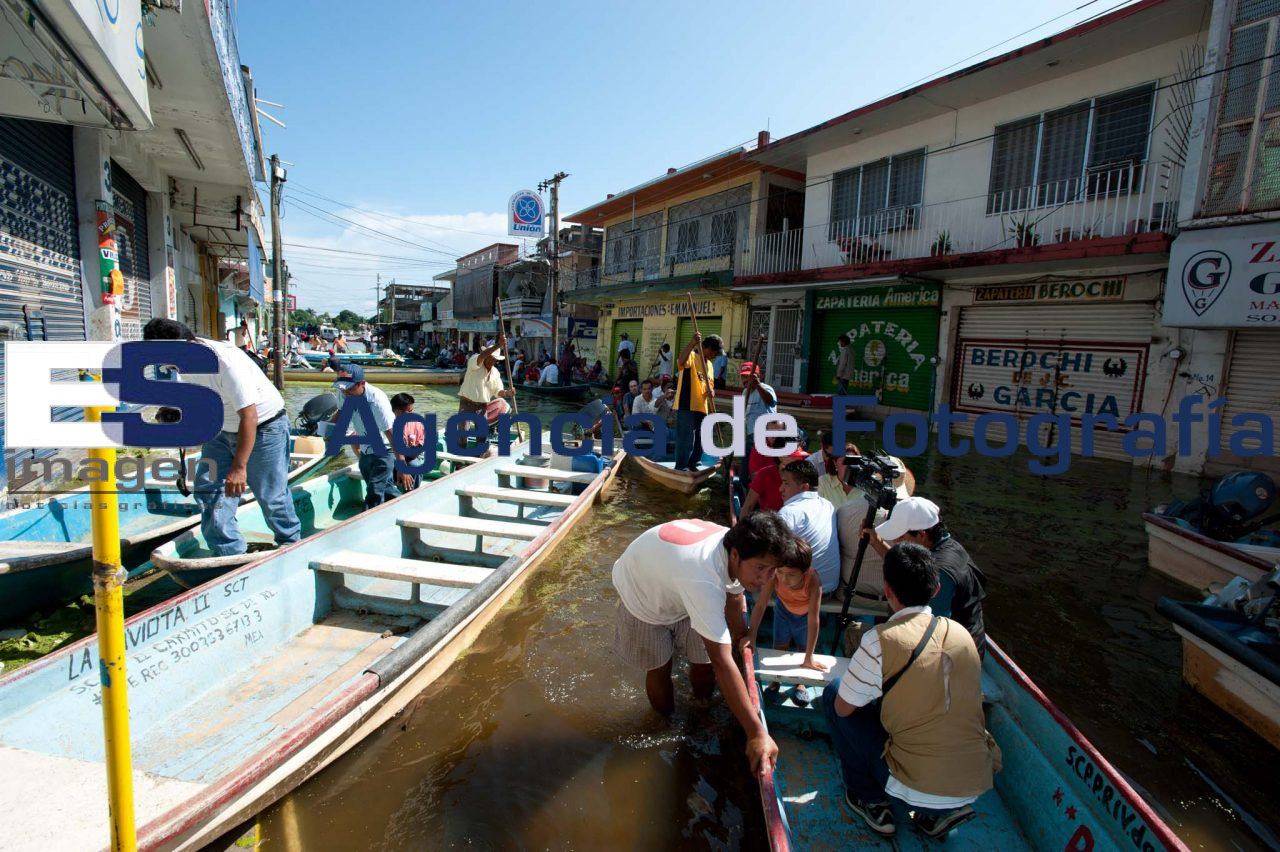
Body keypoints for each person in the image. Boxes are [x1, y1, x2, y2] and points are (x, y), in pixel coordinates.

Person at [823, 543, 1000, 839]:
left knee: (834, 694)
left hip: (913, 789)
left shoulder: (880, 640)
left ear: (887, 589)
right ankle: (939, 813)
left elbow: (843, 709)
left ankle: (870, 798)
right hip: (973, 785)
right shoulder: (962, 634)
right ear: (936, 589)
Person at [612, 512, 801, 776]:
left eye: (772, 570)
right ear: (734, 555)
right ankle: (665, 722)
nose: (765, 579)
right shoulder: (703, 579)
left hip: (676, 577)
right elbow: (723, 663)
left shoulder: (736, 547)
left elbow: (734, 596)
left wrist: (741, 637)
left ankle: (701, 707)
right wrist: (757, 732)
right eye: (760, 568)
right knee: (660, 666)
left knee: (704, 661)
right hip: (642, 594)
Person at [142, 319, 300, 556]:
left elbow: (249, 416)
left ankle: (290, 543)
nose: (166, 364)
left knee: (270, 494)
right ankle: (229, 552)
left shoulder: (225, 362)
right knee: (208, 490)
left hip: (264, 426)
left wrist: (239, 467)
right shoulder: (180, 362)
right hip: (222, 428)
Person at [867, 497, 988, 656]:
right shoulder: (949, 545)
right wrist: (876, 542)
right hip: (960, 643)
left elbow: (930, 632)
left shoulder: (941, 573)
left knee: (868, 643)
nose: (895, 542)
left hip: (950, 655)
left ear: (921, 535)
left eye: (900, 537)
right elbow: (908, 565)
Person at [745, 537, 826, 705]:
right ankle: (775, 682)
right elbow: (760, 605)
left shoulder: (813, 581)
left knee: (803, 648)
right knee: (779, 646)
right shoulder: (774, 575)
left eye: (791, 575)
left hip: (805, 617)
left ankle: (800, 683)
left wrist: (809, 657)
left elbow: (813, 619)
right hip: (783, 612)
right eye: (780, 572)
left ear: (804, 572)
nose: (784, 579)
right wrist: (751, 635)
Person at [334, 364, 414, 507]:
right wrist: (329, 429)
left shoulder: (377, 400)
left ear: (362, 384)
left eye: (350, 388)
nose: (346, 392)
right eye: (343, 388)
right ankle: (407, 506)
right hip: (366, 449)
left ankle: (367, 517)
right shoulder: (344, 391)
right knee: (385, 488)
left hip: (386, 448)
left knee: (374, 490)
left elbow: (392, 435)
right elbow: (340, 412)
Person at [777, 459, 841, 594]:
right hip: (830, 587)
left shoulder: (790, 512)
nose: (780, 488)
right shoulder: (827, 505)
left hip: (801, 593)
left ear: (804, 487)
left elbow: (770, 552)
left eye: (786, 483)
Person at [673, 332, 722, 472]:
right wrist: (692, 343)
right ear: (706, 348)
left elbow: (710, 385)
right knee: (686, 438)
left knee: (703, 437)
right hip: (686, 404)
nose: (714, 355)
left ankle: (693, 463)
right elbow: (681, 361)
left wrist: (711, 392)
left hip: (702, 406)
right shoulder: (692, 356)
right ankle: (681, 467)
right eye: (713, 352)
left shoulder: (710, 365)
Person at [458, 335, 515, 447]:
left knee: (483, 436)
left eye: (494, 359)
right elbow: (481, 357)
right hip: (467, 404)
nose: (491, 361)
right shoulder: (475, 361)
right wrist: (498, 345)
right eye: (489, 357)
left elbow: (498, 392)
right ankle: (460, 455)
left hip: (482, 407)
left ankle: (479, 454)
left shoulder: (495, 373)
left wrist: (508, 393)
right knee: (463, 433)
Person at [741, 446, 806, 517]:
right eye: (795, 456)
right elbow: (747, 507)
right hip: (770, 521)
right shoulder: (764, 474)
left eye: (801, 457)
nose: (801, 460)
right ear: (781, 457)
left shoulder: (805, 474)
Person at [390, 392, 426, 490]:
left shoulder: (417, 423)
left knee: (416, 466)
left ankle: (411, 493)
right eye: (409, 411)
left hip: (409, 459)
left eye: (412, 410)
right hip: (390, 459)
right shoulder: (387, 425)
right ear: (398, 411)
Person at [740, 361, 777, 449]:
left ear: (758, 377)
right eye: (743, 377)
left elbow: (770, 402)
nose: (745, 380)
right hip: (750, 435)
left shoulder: (766, 388)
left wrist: (757, 385)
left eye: (748, 377)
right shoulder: (745, 392)